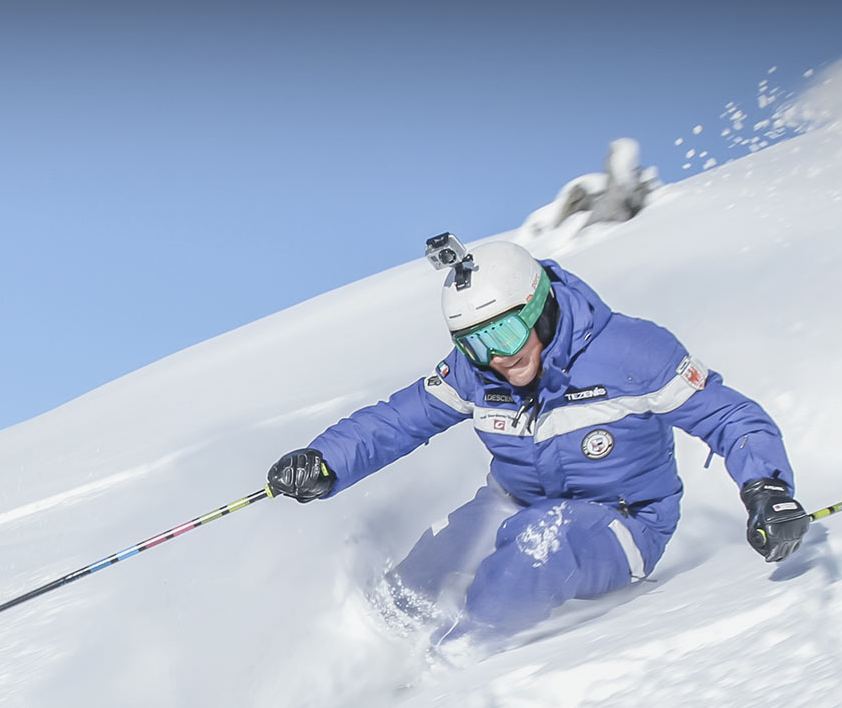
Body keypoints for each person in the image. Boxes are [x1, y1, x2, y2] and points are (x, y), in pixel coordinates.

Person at [266, 236, 807, 645]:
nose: (497, 356)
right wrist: (323, 461)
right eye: (475, 344)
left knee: (536, 541)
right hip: (509, 504)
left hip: (625, 523)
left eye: (504, 332)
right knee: (419, 576)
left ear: (539, 308)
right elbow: (395, 422)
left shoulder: (632, 354)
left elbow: (732, 417)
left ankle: (457, 667)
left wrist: (767, 488)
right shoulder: (478, 373)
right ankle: (367, 666)